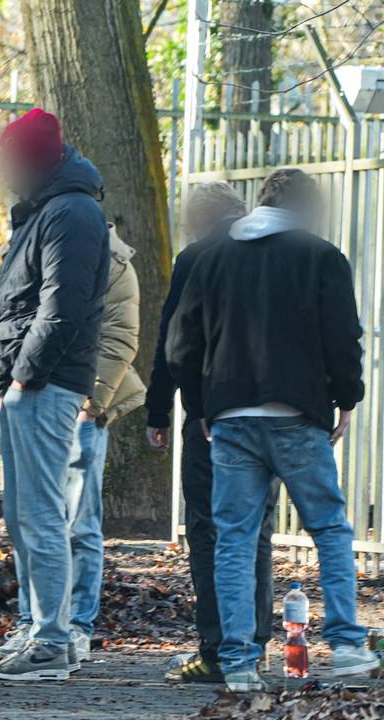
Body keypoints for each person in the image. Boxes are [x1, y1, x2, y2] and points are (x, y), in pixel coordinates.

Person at [166, 168, 378, 692]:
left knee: (233, 540)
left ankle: (238, 662)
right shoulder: (322, 257)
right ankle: (348, 647)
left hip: (232, 418)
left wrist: (201, 408)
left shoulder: (212, 257)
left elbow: (181, 345)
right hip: (298, 414)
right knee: (328, 528)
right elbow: (342, 337)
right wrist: (346, 399)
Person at [0, 108, 110, 682]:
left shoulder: (72, 213)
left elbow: (62, 307)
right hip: (32, 380)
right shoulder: (51, 210)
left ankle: (52, 642)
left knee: (39, 516)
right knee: (25, 516)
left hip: (44, 383)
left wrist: (22, 376)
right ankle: (41, 633)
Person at [143, 182, 279, 684]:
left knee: (209, 529)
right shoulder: (279, 258)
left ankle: (218, 648)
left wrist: (160, 409)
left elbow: (171, 341)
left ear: (198, 221)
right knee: (257, 533)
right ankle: (255, 646)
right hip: (272, 416)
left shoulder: (197, 257)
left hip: (210, 417)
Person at [12, 224, 144, 663]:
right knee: (30, 520)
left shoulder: (112, 259)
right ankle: (33, 622)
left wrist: (93, 404)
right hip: (36, 397)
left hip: (81, 404)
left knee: (78, 524)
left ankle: (76, 627)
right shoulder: (37, 243)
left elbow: (120, 335)